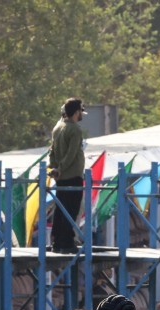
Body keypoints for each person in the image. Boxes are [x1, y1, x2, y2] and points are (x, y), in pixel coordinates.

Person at [48, 97, 88, 253]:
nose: (81, 115)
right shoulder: (75, 129)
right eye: (80, 112)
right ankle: (67, 242)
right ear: (76, 112)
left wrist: (55, 167)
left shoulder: (58, 127)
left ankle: (57, 242)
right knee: (71, 210)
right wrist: (61, 168)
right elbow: (71, 154)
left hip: (61, 177)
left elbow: (51, 151)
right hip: (72, 175)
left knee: (60, 209)